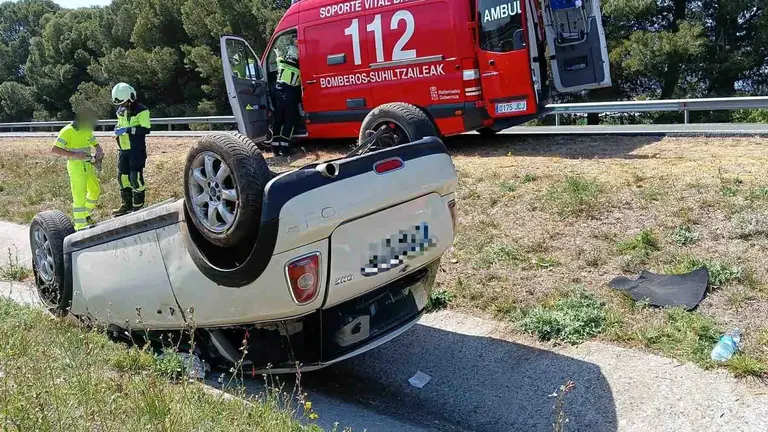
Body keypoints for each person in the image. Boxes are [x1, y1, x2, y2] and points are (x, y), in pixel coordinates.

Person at [50, 108, 103, 231]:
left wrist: (99, 151)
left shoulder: (86, 129)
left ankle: (85, 215)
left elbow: (95, 144)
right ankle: (80, 226)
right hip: (76, 167)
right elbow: (55, 149)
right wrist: (74, 154)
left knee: (95, 191)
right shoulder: (67, 131)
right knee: (79, 197)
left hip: (88, 165)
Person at [111, 82, 151, 216]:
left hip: (136, 149)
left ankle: (138, 206)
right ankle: (125, 205)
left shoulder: (142, 110)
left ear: (131, 97)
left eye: (124, 102)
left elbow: (146, 129)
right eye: (120, 104)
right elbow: (119, 123)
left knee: (135, 177)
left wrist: (129, 130)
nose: (122, 106)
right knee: (122, 177)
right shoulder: (120, 111)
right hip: (123, 149)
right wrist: (117, 129)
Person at [272, 39, 301, 156]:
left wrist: (278, 51)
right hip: (289, 96)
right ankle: (284, 148)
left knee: (278, 120)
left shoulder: (281, 63)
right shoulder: (299, 70)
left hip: (278, 95)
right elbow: (299, 84)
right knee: (289, 121)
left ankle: (275, 147)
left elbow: (277, 55)